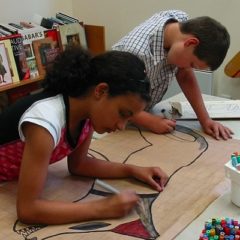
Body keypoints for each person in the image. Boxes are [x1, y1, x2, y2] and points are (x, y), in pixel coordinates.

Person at [0, 46, 168, 225]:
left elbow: (79, 165)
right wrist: (102, 208)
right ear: (101, 91)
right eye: (122, 113)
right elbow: (28, 210)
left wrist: (132, 170)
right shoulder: (45, 122)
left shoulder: (87, 114)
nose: (121, 126)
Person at [112, 10, 233, 140]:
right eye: (192, 64)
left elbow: (185, 75)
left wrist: (205, 120)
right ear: (190, 43)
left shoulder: (179, 21)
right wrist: (149, 121)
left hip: (141, 111)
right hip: (116, 120)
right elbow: (116, 99)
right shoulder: (136, 54)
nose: (189, 68)